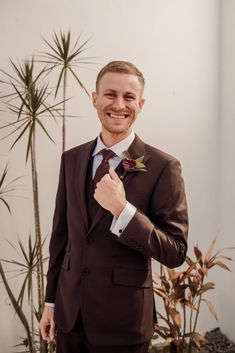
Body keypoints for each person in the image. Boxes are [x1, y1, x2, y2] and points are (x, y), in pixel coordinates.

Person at [39, 61, 188, 353]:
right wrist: (51, 302)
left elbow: (176, 252)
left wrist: (123, 210)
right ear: (95, 99)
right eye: (110, 94)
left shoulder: (163, 167)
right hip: (70, 318)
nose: (119, 105)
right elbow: (61, 238)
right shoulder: (71, 159)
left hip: (124, 324)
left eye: (129, 97)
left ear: (140, 104)